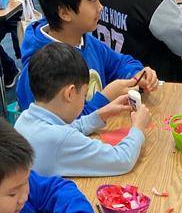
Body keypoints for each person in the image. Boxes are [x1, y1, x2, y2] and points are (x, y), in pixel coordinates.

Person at [17, 0, 159, 112]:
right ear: (65, 13)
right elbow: (59, 130)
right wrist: (105, 98)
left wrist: (137, 74)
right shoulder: (39, 71)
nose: (100, 7)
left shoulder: (84, 41)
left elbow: (121, 63)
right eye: (92, 1)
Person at [15, 42, 151, 177]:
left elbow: (69, 127)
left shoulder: (26, 118)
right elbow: (122, 160)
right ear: (70, 93)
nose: (84, 99)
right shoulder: (61, 139)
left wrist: (102, 114)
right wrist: (138, 127)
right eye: (84, 95)